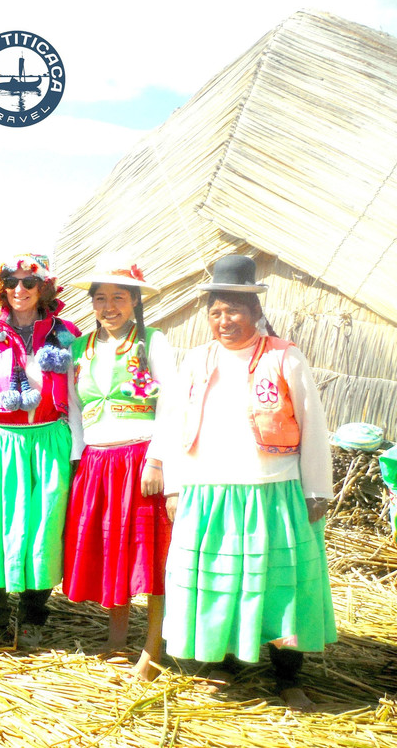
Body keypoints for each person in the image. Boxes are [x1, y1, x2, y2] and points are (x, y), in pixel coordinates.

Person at [163, 254, 336, 710]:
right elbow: (175, 427)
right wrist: (175, 487)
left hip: (272, 492)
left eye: (234, 310)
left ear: (256, 311)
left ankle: (287, 675)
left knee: (282, 585)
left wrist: (316, 489)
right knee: (222, 584)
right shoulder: (197, 361)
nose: (225, 320)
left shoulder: (285, 357)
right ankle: (226, 663)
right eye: (216, 312)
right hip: (209, 492)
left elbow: (313, 424)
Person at [0, 254, 82, 649]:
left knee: (43, 527)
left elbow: (76, 396)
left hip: (49, 440)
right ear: (1, 288)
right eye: (11, 282)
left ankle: (34, 617)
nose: (19, 290)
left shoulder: (66, 333)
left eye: (28, 282)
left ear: (44, 288)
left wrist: (76, 449)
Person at [61, 254, 175, 678]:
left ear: (135, 302)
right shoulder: (79, 349)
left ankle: (152, 648)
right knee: (113, 547)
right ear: (91, 304)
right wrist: (77, 459)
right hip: (97, 461)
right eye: (101, 298)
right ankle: (115, 639)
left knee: (149, 553)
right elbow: (74, 409)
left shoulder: (154, 342)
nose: (110, 307)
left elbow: (172, 405)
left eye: (119, 298)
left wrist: (158, 459)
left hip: (140, 458)